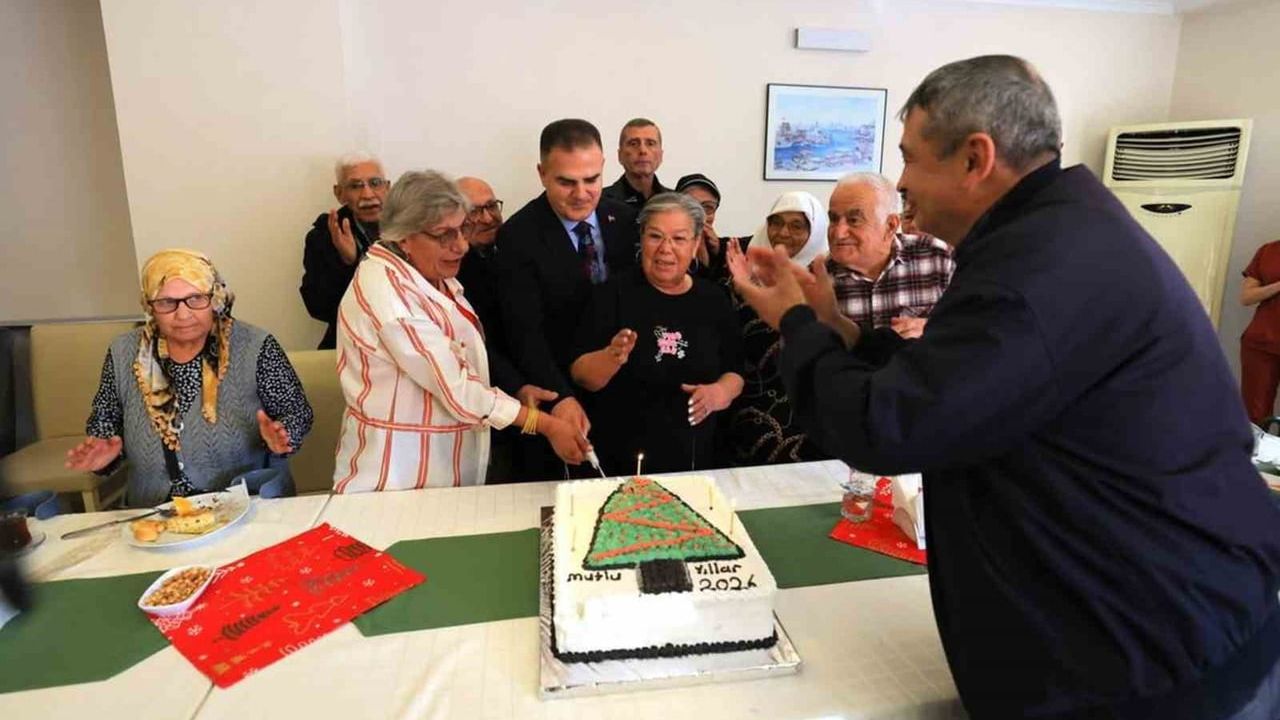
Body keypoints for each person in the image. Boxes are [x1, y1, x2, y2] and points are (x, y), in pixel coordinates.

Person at [731, 55, 1280, 720]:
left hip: (1154, 655)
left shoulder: (1040, 263)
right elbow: (958, 383)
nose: (903, 184)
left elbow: (889, 426)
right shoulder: (1057, 229)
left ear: (975, 158)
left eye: (909, 158)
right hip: (1158, 626)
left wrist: (795, 324)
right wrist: (840, 332)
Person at [332, 170, 589, 493]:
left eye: (462, 229)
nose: (462, 246)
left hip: (442, 468)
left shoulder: (426, 272)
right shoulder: (387, 295)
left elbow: (465, 354)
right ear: (403, 236)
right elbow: (456, 388)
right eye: (444, 235)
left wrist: (516, 393)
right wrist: (546, 425)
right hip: (395, 475)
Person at [67, 250, 313, 507]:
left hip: (246, 503)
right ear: (149, 306)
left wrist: (284, 436)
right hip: (154, 510)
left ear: (215, 299)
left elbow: (297, 412)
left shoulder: (255, 346)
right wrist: (105, 449)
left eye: (196, 299)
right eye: (166, 303)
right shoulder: (123, 352)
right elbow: (104, 419)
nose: (183, 315)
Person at [496, 119, 640, 480]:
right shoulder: (518, 236)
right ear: (542, 173)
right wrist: (561, 397)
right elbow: (524, 333)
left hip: (624, 393)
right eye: (566, 181)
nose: (581, 193)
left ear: (604, 167)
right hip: (557, 395)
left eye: (591, 179)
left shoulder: (625, 220)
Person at [570, 193, 743, 474]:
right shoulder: (612, 294)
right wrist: (610, 358)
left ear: (696, 243)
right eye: (655, 236)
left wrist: (720, 392)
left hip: (697, 460)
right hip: (620, 462)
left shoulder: (713, 299)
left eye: (679, 238)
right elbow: (581, 375)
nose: (665, 249)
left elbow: (735, 370)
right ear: (641, 238)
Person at [455, 176, 558, 482]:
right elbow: (476, 342)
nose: (488, 218)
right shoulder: (453, 269)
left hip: (539, 383)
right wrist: (515, 385)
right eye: (475, 211)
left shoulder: (518, 247)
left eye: (491, 207)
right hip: (493, 395)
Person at [723, 192, 829, 466]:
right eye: (776, 222)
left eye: (797, 225)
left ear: (815, 230)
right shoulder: (741, 275)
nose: (783, 232)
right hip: (746, 412)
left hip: (808, 415)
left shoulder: (826, 280)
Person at [822, 172, 953, 342]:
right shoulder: (818, 277)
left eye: (854, 220)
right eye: (833, 219)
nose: (838, 233)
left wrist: (932, 328)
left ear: (891, 226)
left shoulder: (937, 258)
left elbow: (981, 323)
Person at [300, 152, 390, 349]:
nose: (367, 194)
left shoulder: (413, 231)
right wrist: (348, 264)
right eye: (355, 186)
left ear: (388, 188)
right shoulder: (323, 237)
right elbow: (318, 307)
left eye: (375, 183)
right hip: (351, 346)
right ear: (339, 194)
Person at [1239, 239, 1280, 425]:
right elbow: (1246, 297)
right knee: (1255, 415)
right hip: (1261, 345)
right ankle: (1252, 453)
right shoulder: (1268, 250)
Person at [602, 118, 668, 208]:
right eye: (633, 144)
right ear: (620, 155)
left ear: (660, 155)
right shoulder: (600, 202)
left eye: (650, 143)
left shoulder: (677, 203)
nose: (642, 150)